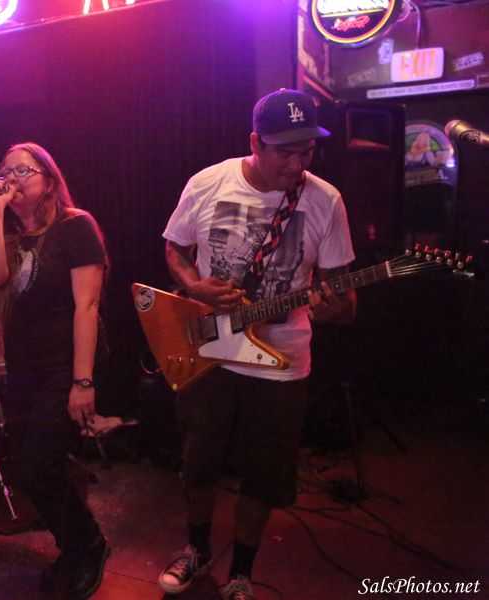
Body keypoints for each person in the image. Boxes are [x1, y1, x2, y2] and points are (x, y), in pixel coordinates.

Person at [159, 89, 357, 600]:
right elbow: (175, 248)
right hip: (211, 353)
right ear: (254, 143)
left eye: (306, 152)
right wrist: (195, 287)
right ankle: (196, 549)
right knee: (198, 463)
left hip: (281, 363)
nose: (296, 164)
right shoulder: (208, 183)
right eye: (284, 152)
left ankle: (242, 573)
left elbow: (344, 297)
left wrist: (334, 307)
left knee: (264, 476)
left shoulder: (325, 201)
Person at [0, 142, 109, 599]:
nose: (9, 178)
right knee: (28, 467)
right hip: (25, 368)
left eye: (22, 170)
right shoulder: (8, 235)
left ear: (49, 180)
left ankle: (87, 544)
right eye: (4, 170)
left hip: (64, 365)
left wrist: (82, 381)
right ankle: (75, 545)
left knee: (39, 464)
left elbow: (87, 307)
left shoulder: (76, 226)